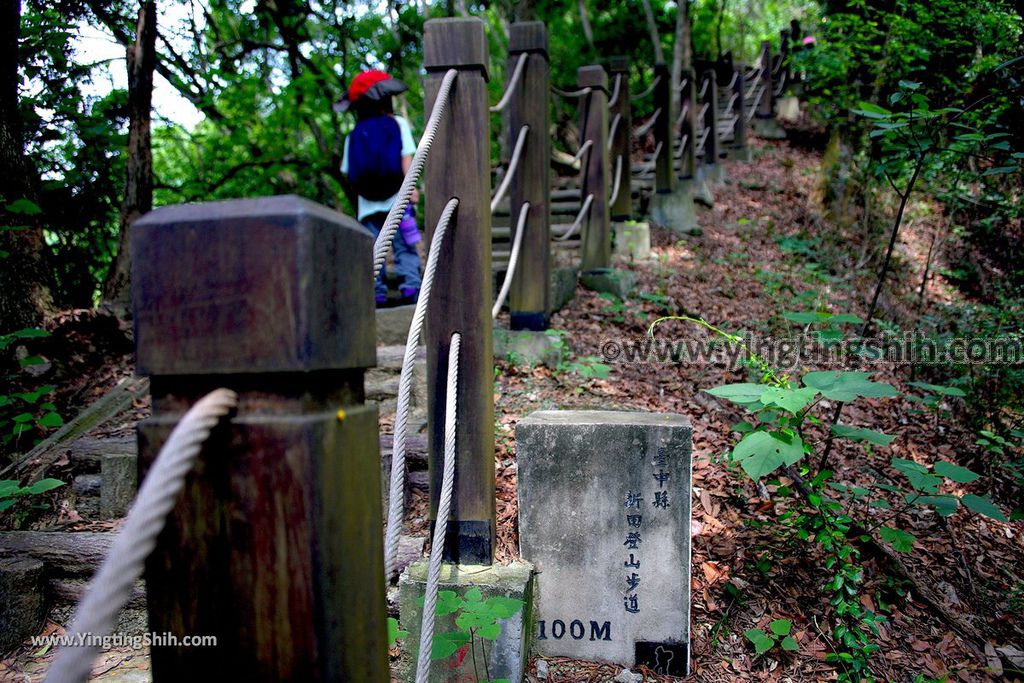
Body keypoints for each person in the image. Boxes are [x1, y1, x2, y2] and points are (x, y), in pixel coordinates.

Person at [336, 70, 422, 306]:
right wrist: (411, 188)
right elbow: (407, 159)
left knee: (374, 250)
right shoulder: (397, 124)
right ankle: (410, 288)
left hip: (367, 205)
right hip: (398, 198)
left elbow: (349, 172)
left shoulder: (353, 136)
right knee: (404, 244)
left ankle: (377, 293)